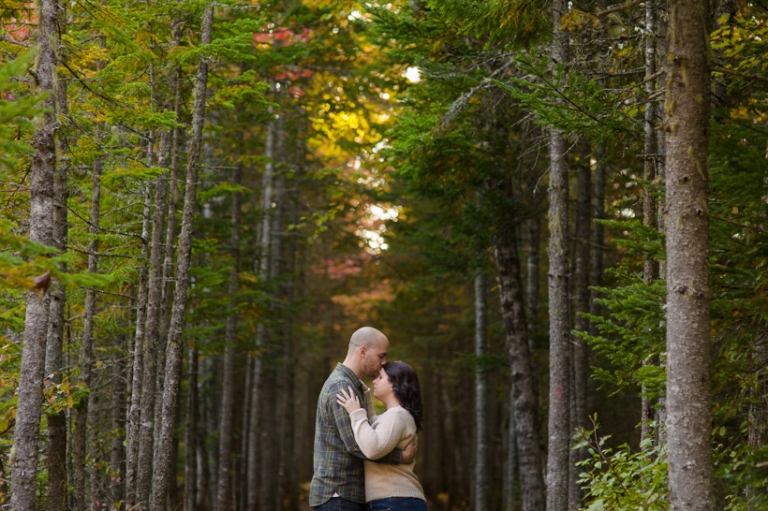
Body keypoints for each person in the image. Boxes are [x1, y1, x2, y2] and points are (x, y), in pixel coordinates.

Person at [309, 327, 415, 511]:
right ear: (363, 351)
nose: (383, 363)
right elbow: (356, 445)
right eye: (381, 356)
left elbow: (367, 431)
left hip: (348, 493)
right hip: (338, 492)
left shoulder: (353, 386)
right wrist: (401, 456)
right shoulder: (341, 387)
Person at [336, 360, 427, 511]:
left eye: (380, 377)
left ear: (395, 384)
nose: (374, 381)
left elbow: (373, 448)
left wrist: (355, 412)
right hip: (394, 500)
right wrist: (364, 393)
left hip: (395, 500)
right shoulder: (392, 416)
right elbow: (371, 426)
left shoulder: (397, 415)